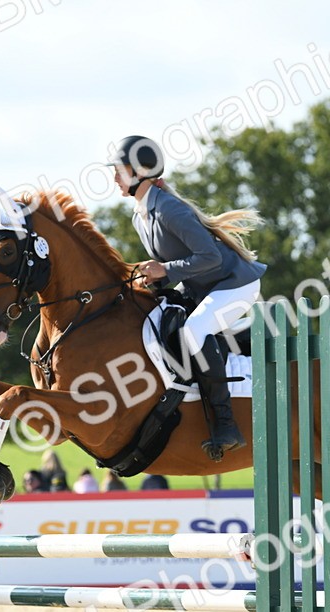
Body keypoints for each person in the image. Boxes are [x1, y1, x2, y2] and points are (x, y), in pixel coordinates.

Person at [108, 134, 266, 462]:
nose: (114, 177)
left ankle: (226, 425)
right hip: (204, 287)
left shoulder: (168, 208)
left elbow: (211, 258)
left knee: (195, 331)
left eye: (120, 170)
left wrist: (162, 269)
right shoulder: (141, 215)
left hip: (234, 285)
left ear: (140, 172)